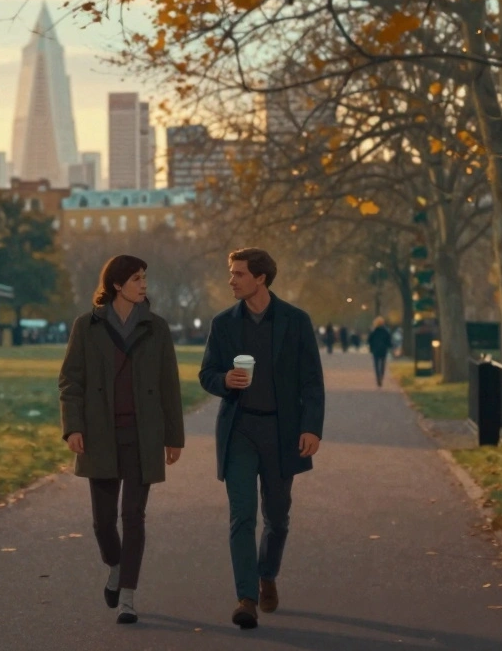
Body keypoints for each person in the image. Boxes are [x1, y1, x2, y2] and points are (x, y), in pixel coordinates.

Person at [199, 248, 325, 630]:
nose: (231, 280)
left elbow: (312, 382)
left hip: (281, 432)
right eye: (231, 273)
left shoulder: (296, 321)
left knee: (278, 516)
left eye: (238, 274)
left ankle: (267, 572)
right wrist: (224, 381)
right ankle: (246, 598)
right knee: (241, 517)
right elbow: (207, 373)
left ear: (261, 279)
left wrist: (311, 428)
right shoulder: (223, 324)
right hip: (239, 430)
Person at [59, 255, 185, 625]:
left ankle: (128, 595)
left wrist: (173, 437)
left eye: (145, 277)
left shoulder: (156, 328)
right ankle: (115, 566)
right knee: (102, 523)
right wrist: (74, 427)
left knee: (133, 515)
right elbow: (70, 381)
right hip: (100, 435)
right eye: (136, 278)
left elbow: (169, 386)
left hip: (142, 436)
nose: (143, 284)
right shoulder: (87, 326)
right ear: (117, 285)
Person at [368, 317, 393, 387]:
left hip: (375, 350)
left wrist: (371, 348)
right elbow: (389, 341)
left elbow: (369, 340)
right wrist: (389, 346)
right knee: (382, 364)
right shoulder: (386, 331)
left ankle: (378, 377)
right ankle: (381, 376)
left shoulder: (374, 331)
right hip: (383, 350)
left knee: (376, 364)